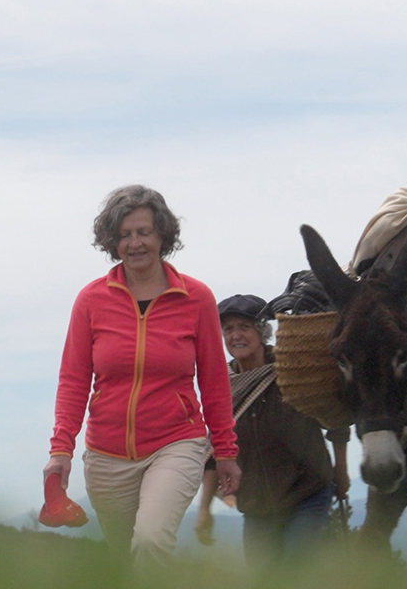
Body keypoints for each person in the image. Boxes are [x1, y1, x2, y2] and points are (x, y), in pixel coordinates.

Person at [46, 185, 241, 566]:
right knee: (127, 560)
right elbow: (73, 379)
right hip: (106, 454)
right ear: (112, 242)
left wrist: (226, 451)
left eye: (143, 232)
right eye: (124, 235)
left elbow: (215, 382)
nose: (135, 243)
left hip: (176, 443)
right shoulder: (91, 300)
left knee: (151, 542)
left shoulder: (196, 297)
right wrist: (60, 450)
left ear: (162, 235)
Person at [191, 294, 351, 567]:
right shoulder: (222, 386)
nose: (236, 336)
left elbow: (334, 417)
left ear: (262, 331)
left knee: (295, 576)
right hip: (257, 507)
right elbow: (215, 451)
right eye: (228, 329)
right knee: (264, 587)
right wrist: (204, 509)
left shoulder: (291, 370)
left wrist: (342, 470)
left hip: (307, 494)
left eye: (244, 326)